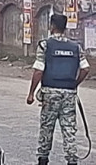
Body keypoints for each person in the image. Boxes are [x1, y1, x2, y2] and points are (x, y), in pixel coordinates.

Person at [27, 14, 90, 165]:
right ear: (65, 27)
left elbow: (39, 71)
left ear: (52, 26)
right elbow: (85, 69)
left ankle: (43, 159)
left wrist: (31, 93)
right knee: (69, 128)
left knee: (47, 127)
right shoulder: (75, 47)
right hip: (69, 93)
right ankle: (72, 160)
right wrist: (74, 84)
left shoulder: (45, 45)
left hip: (50, 93)